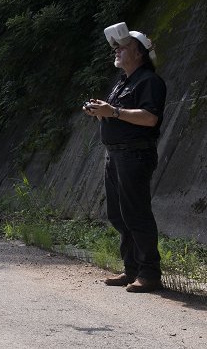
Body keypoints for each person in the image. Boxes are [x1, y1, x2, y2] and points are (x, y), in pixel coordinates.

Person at [83, 22, 166, 293]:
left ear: (139, 53)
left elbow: (150, 118)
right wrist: (100, 110)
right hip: (115, 155)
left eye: (123, 46)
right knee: (118, 214)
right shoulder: (123, 82)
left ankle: (150, 273)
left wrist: (114, 112)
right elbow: (114, 111)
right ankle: (131, 270)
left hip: (135, 154)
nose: (117, 50)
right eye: (116, 47)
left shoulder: (150, 81)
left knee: (136, 214)